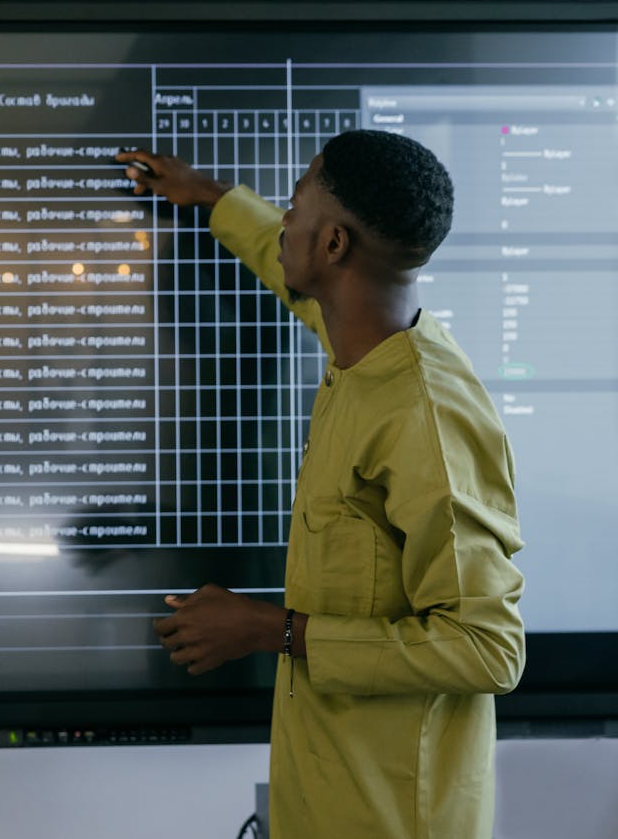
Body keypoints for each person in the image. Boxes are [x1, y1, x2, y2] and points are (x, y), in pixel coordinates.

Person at [119, 131, 525, 838]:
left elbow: (486, 646)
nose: (284, 219)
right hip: (326, 805)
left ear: (334, 245)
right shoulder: (362, 337)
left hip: (395, 819)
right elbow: (295, 281)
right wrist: (211, 197)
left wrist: (268, 629)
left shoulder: (424, 417)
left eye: (297, 200)